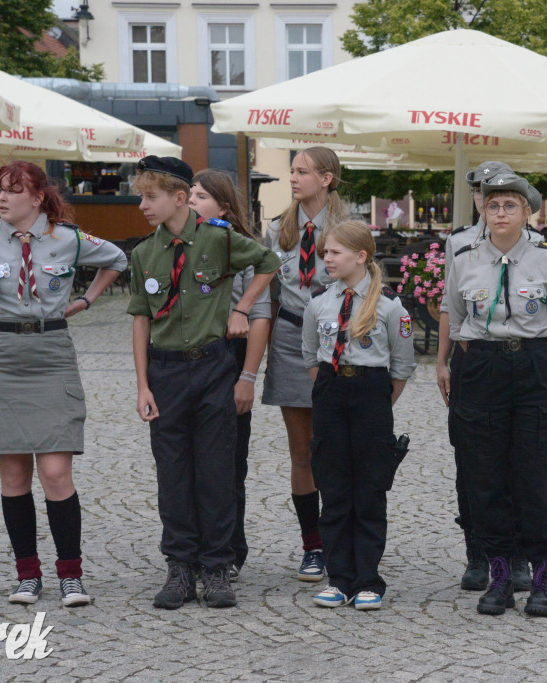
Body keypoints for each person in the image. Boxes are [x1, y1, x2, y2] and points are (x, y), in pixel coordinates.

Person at [0, 160, 127, 606]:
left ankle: (71, 575)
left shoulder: (68, 239)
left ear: (37, 197)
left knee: (55, 473)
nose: (2, 197)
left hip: (52, 354)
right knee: (14, 475)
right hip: (1, 355)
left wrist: (87, 299)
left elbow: (116, 258)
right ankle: (27, 575)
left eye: (13, 190)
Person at [127, 156, 281, 609]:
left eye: (150, 197)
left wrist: (242, 306)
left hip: (214, 367)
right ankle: (180, 567)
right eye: (141, 197)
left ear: (178, 198)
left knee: (215, 471)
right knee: (172, 472)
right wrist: (142, 385)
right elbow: (139, 318)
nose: (142, 205)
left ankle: (216, 566)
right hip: (166, 371)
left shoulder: (218, 240)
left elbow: (269, 261)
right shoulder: (144, 253)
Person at [445, 172, 547, 618]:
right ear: (483, 210)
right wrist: (490, 358)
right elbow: (459, 321)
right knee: (486, 478)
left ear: (527, 213)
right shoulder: (463, 258)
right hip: (482, 366)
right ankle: (499, 579)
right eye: (493, 205)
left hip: (535, 368)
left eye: (510, 206)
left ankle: (541, 581)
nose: (500, 213)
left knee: (534, 477)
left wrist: (531, 361)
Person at [437, 160, 542, 594]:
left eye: (498, 195)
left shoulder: (535, 244)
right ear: (476, 199)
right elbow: (448, 305)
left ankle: (516, 555)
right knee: (472, 459)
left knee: (518, 460)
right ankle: (477, 552)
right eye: (481, 193)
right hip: (470, 359)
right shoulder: (458, 244)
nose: (488, 201)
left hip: (517, 363)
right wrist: (442, 360)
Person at [302, 220, 415, 610]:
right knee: (333, 490)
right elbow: (310, 354)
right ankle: (339, 578)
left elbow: (401, 367)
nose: (326, 258)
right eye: (325, 252)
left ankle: (369, 579)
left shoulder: (389, 306)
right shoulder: (319, 302)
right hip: (331, 391)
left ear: (360, 256)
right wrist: (333, 389)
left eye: (334, 252)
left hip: (371, 394)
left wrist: (378, 403)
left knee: (369, 490)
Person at [261, 146, 350, 582]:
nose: (293, 179)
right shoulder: (279, 229)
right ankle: (312, 546)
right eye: (292, 171)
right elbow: (269, 294)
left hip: (339, 339)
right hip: (291, 337)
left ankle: (342, 539)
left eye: (302, 172)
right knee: (301, 450)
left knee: (335, 447)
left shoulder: (349, 229)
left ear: (327, 178)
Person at [187, 168, 271, 580]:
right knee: (186, 461)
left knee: (229, 462)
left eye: (200, 197)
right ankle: (190, 548)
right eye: (188, 195)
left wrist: (248, 378)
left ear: (223, 206)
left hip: (230, 355)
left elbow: (259, 317)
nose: (190, 202)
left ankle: (229, 549)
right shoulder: (176, 244)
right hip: (184, 358)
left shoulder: (243, 249)